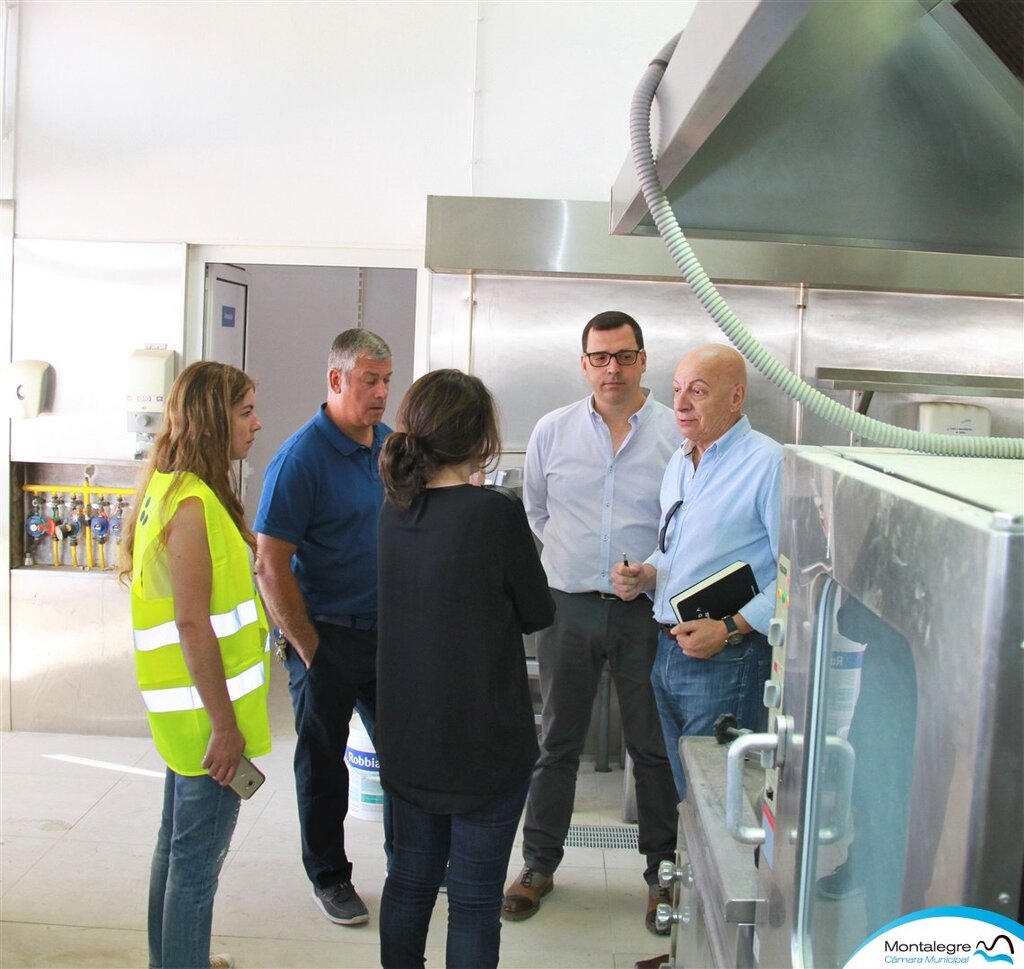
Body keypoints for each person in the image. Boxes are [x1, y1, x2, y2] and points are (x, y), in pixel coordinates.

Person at [502, 311, 681, 935]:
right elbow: (537, 511)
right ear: (584, 364)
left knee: (651, 749)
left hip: (646, 614)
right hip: (568, 608)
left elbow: (686, 525)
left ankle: (663, 874)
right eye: (600, 357)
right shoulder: (552, 432)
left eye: (624, 356)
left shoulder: (673, 436)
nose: (613, 368)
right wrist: (575, 563)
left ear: (643, 360)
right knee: (557, 742)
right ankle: (537, 864)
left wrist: (652, 571)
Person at [376, 369, 555, 969]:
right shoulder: (494, 514)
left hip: (408, 738)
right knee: (475, 903)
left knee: (408, 884)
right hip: (484, 741)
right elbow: (537, 612)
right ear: (480, 438)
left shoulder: (393, 513)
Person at [120, 361, 270, 969]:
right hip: (208, 719)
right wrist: (226, 727)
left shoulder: (171, 486)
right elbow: (192, 622)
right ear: (212, 420)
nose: (257, 423)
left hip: (186, 716)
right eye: (244, 412)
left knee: (176, 850)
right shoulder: (192, 505)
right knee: (195, 866)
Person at [254, 328, 392, 927]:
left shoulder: (388, 447)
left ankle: (409, 864)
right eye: (370, 381)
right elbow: (269, 563)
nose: (383, 392)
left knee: (407, 757)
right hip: (324, 636)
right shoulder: (300, 459)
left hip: (386, 636)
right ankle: (329, 877)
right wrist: (310, 649)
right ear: (336, 380)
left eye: (387, 379)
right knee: (322, 763)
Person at [612, 344, 781, 802]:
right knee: (688, 795)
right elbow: (677, 548)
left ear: (735, 397)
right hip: (668, 650)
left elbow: (796, 575)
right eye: (677, 390)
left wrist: (729, 628)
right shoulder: (682, 460)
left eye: (698, 391)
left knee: (718, 800)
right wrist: (647, 574)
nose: (681, 404)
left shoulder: (768, 463)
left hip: (727, 658)